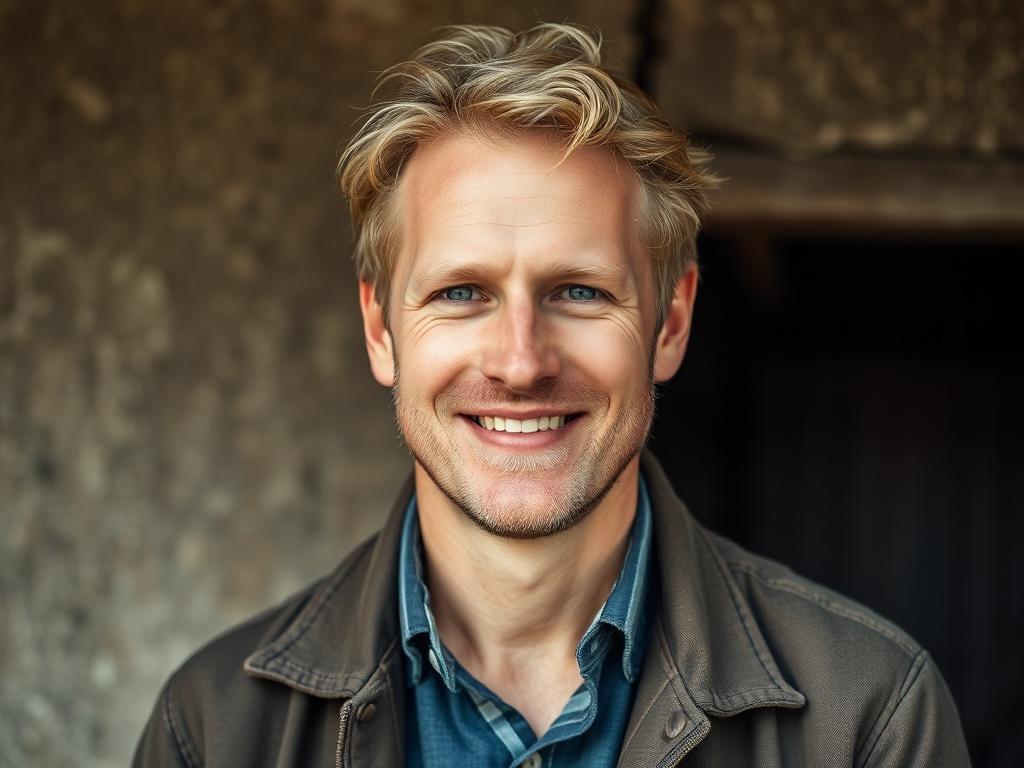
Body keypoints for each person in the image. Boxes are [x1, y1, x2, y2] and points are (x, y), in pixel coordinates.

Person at [133, 23, 970, 767]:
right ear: (381, 330)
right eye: (462, 292)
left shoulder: (870, 721)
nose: (521, 362)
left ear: (671, 322)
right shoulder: (213, 732)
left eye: (579, 291)